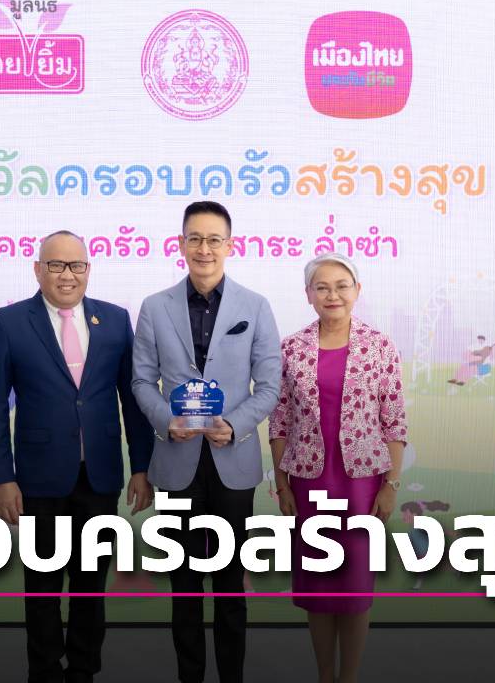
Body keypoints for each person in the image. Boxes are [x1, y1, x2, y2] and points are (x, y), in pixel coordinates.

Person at [0, 230, 153, 683]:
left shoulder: (114, 320)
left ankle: (83, 670)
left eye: (76, 265)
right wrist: (2, 478)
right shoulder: (10, 322)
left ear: (88, 270)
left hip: (100, 476)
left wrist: (141, 466)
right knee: (42, 585)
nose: (66, 275)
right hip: (37, 479)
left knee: (90, 584)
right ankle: (44, 671)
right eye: (55, 265)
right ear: (38, 270)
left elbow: (133, 399)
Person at [131, 200, 281, 683]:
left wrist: (234, 425)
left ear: (230, 245)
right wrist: (165, 419)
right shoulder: (155, 307)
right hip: (176, 462)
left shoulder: (255, 307)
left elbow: (270, 386)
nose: (204, 248)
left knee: (231, 583)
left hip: (232, 460)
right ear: (181, 244)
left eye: (214, 239)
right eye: (194, 238)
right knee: (184, 584)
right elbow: (141, 381)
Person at [268, 253, 408, 683]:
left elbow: (394, 421)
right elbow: (279, 421)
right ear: (308, 295)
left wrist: (390, 485)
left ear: (357, 290)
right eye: (322, 287)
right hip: (309, 484)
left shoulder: (379, 345)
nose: (333, 295)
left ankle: (348, 677)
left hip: (362, 484)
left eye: (342, 285)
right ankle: (324, 675)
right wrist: (282, 486)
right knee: (318, 587)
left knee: (354, 588)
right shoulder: (291, 348)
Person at [399, 500, 449, 589]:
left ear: (414, 514)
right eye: (403, 513)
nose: (403, 516)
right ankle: (418, 584)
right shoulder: (413, 528)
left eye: (406, 513)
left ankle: (455, 570)